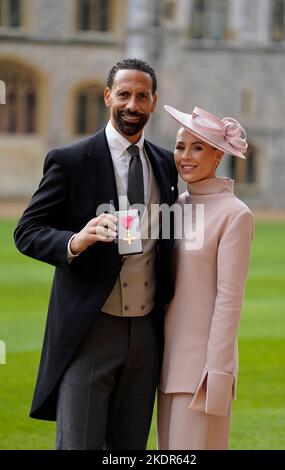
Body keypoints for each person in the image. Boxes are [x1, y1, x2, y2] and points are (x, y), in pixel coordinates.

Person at [14, 59, 178, 450]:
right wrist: (76, 240)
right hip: (91, 328)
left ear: (153, 102)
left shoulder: (166, 165)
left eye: (142, 96)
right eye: (124, 94)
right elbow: (27, 232)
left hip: (147, 335)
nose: (132, 105)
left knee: (129, 449)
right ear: (108, 97)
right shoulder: (71, 161)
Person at [157, 105, 254, 450]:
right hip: (162, 365)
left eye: (197, 147)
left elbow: (229, 300)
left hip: (201, 371)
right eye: (180, 146)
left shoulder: (235, 214)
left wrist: (217, 372)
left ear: (218, 156)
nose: (185, 156)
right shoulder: (174, 206)